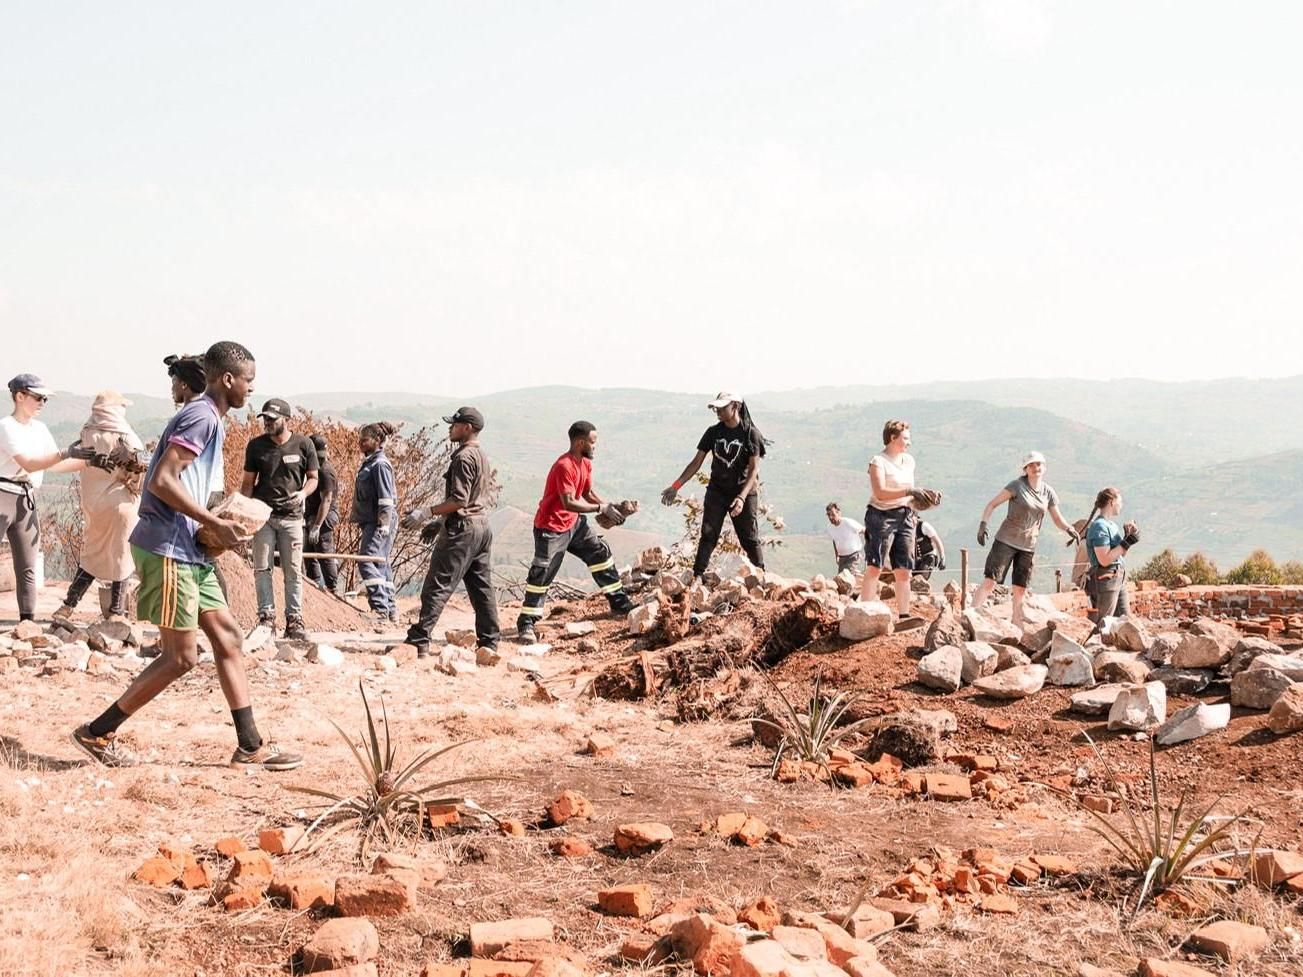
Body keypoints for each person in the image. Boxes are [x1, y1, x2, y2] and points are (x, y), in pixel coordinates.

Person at [71, 341, 302, 771]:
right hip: (168, 546)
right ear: (227, 379)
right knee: (181, 657)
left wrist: (215, 520)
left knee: (229, 638)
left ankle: (250, 745)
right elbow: (161, 480)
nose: (252, 389)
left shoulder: (210, 418)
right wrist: (212, 523)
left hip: (189, 547)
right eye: (248, 380)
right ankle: (97, 731)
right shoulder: (201, 416)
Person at [516, 421, 635, 644]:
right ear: (581, 442)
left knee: (600, 554)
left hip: (574, 525)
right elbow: (569, 502)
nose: (595, 446)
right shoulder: (564, 466)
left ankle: (620, 604)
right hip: (551, 527)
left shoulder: (585, 464)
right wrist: (601, 509)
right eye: (592, 442)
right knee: (542, 572)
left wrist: (611, 507)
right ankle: (526, 623)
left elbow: (587, 493)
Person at [398, 407, 499, 657]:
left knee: (437, 584)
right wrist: (439, 523)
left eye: (455, 424)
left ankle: (419, 638)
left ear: (467, 428)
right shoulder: (481, 455)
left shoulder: (463, 458)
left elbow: (459, 500)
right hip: (481, 527)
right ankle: (489, 643)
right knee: (481, 587)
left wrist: (426, 513)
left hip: (462, 529)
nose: (450, 428)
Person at [0, 374, 95, 622]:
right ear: (19, 396)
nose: (42, 402)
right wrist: (65, 453)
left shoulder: (40, 429)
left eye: (45, 399)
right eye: (38, 397)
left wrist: (90, 463)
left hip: (26, 499)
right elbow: (30, 463)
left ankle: (26, 624)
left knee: (28, 566)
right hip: (3, 494)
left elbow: (53, 464)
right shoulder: (6, 426)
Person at [54, 391, 147, 623]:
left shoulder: (85, 432)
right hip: (121, 504)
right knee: (122, 557)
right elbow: (140, 469)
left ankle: (67, 606)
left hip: (94, 506)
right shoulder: (124, 436)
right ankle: (116, 611)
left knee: (91, 556)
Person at [661, 392, 768, 578]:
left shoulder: (751, 434)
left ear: (736, 406)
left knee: (749, 539)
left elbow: (753, 471)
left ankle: (761, 576)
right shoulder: (713, 432)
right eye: (716, 408)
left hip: (743, 493)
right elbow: (696, 463)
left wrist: (741, 498)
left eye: (722, 407)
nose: (717, 411)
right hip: (717, 492)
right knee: (709, 535)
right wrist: (676, 486)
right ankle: (697, 576)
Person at [971, 451, 1080, 628]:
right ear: (1025, 469)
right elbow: (992, 504)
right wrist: (983, 524)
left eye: (1039, 464)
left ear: (1044, 467)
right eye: (1031, 465)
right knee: (991, 580)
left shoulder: (1048, 492)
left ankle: (1016, 624)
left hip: (1028, 545)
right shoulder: (1017, 486)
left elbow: (1057, 519)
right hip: (1006, 540)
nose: (1036, 468)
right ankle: (971, 615)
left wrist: (1069, 529)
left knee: (1020, 587)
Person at [241, 398, 318, 639]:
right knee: (262, 568)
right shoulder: (255, 447)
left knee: (293, 570)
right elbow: (247, 484)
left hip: (293, 518)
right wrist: (244, 515)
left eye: (272, 419)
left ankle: (294, 621)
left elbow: (314, 478)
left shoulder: (304, 444)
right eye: (265, 418)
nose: (267, 423)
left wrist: (303, 493)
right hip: (263, 517)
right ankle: (266, 618)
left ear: (286, 419)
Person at [859, 419, 938, 625]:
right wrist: (909, 491)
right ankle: (864, 612)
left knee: (904, 568)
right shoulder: (878, 461)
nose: (909, 443)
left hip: (906, 515)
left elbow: (909, 496)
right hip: (881, 515)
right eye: (905, 438)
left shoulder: (909, 461)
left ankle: (904, 615)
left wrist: (926, 499)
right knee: (875, 565)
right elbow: (880, 492)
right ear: (893, 438)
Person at [351, 421, 399, 623]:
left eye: (365, 439)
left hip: (379, 521)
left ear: (378, 441)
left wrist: (383, 525)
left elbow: (386, 498)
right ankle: (390, 609)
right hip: (373, 521)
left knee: (367, 560)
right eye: (360, 439)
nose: (361, 443)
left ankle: (380, 609)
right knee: (381, 562)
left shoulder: (379, 465)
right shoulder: (371, 463)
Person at [1084, 486, 1138, 624]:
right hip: (1106, 577)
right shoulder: (1099, 526)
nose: (1122, 505)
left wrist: (1128, 537)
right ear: (1112, 502)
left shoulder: (1111, 525)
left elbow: (1121, 554)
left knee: (1125, 622)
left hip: (1119, 576)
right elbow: (1104, 560)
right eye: (1120, 501)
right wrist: (1125, 543)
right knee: (1105, 621)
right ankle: (1095, 644)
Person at [303, 433, 339, 594]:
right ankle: (314, 584)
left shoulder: (325, 471)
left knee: (323, 550)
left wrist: (317, 525)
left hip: (324, 516)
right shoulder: (313, 468)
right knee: (309, 552)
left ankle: (332, 588)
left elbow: (327, 500)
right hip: (312, 515)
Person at [824, 503, 865, 574]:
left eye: (833, 514)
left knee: (847, 576)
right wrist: (837, 555)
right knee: (841, 578)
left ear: (838, 513)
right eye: (828, 515)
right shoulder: (830, 528)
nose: (831, 517)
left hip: (853, 556)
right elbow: (835, 541)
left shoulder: (848, 523)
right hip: (842, 557)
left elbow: (863, 530)